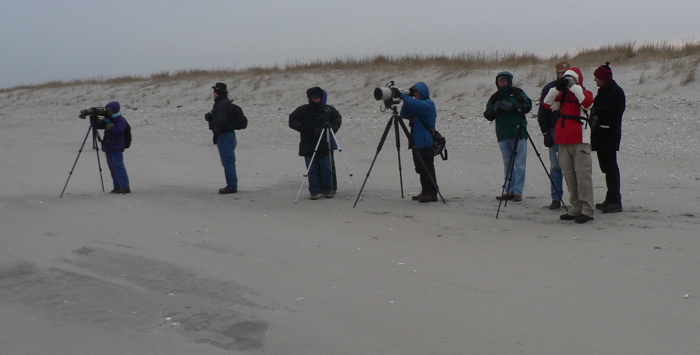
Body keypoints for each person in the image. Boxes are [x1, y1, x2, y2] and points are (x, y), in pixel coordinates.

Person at [543, 68, 595, 223]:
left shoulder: (584, 93)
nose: (567, 82)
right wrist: (557, 88)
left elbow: (586, 103)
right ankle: (575, 208)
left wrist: (574, 86)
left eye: (570, 79)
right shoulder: (562, 95)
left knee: (583, 177)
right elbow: (547, 103)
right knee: (570, 176)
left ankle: (587, 210)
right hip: (563, 141)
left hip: (580, 141)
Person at [484, 72, 533, 202]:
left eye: (505, 80)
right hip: (503, 134)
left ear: (509, 81)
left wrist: (513, 107)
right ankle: (509, 190)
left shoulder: (517, 92)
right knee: (508, 163)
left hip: (519, 132)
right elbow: (488, 115)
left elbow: (527, 106)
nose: (503, 83)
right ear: (497, 83)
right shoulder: (495, 97)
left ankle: (518, 192)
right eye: (500, 81)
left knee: (519, 163)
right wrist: (494, 110)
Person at [289, 86, 342, 200]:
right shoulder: (303, 110)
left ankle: (327, 190)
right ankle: (314, 191)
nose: (316, 99)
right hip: (308, 143)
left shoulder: (327, 109)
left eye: (317, 97)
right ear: (310, 97)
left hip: (324, 143)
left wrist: (331, 128)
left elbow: (337, 118)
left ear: (321, 97)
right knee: (312, 169)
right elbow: (292, 120)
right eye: (314, 97)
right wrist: (303, 128)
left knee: (326, 168)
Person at [591, 62, 626, 213]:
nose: (595, 80)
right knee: (606, 168)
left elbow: (616, 110)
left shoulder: (616, 91)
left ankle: (616, 200)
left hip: (609, 135)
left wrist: (597, 112)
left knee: (611, 168)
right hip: (601, 135)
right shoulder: (604, 90)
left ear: (603, 78)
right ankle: (609, 197)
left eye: (597, 77)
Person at [396, 82, 439, 203]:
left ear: (423, 92)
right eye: (414, 92)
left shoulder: (428, 104)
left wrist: (404, 96)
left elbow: (418, 105)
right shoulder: (417, 105)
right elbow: (404, 114)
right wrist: (406, 100)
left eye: (416, 91)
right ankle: (425, 191)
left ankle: (432, 193)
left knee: (427, 168)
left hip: (425, 141)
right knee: (420, 168)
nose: (415, 94)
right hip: (417, 141)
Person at [538, 60, 570, 209]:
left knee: (572, 167)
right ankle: (556, 198)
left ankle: (575, 199)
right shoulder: (549, 88)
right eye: (561, 73)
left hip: (571, 132)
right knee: (556, 167)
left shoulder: (576, 88)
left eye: (566, 73)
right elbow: (542, 112)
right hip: (554, 131)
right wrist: (545, 132)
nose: (563, 75)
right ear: (557, 73)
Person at [205, 82, 247, 194]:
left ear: (218, 92)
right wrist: (210, 118)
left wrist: (216, 132)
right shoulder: (221, 103)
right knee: (228, 161)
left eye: (215, 91)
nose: (213, 93)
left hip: (225, 136)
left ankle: (232, 186)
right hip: (226, 135)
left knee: (228, 161)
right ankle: (231, 184)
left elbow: (222, 121)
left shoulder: (223, 104)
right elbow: (219, 120)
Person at [91, 101, 131, 194]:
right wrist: (94, 118)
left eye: (109, 110)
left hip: (117, 147)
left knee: (118, 166)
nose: (107, 111)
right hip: (109, 146)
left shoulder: (121, 120)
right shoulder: (108, 119)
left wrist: (110, 126)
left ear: (114, 110)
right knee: (112, 167)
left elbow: (118, 132)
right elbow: (98, 126)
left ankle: (124, 186)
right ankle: (117, 186)